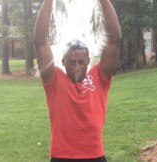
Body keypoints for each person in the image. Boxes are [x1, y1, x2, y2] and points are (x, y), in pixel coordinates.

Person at [34, 0, 121, 162]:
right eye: (71, 62)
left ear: (88, 61)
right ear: (63, 61)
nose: (76, 67)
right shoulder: (55, 80)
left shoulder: (99, 77)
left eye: (81, 62)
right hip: (62, 157)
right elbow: (40, 42)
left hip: (94, 156)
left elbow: (114, 41)